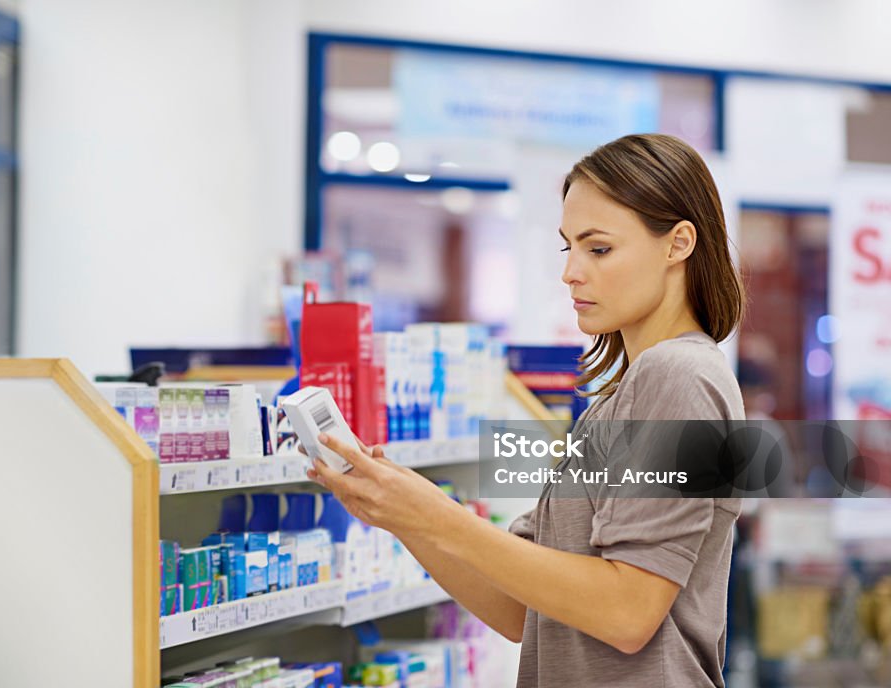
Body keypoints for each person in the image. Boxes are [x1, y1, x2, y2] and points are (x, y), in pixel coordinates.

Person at [307, 133, 746, 687]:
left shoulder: (680, 377)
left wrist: (434, 514)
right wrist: (401, 513)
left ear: (678, 243)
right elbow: (518, 611)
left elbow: (628, 612)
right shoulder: (621, 397)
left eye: (599, 248)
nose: (571, 272)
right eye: (569, 248)